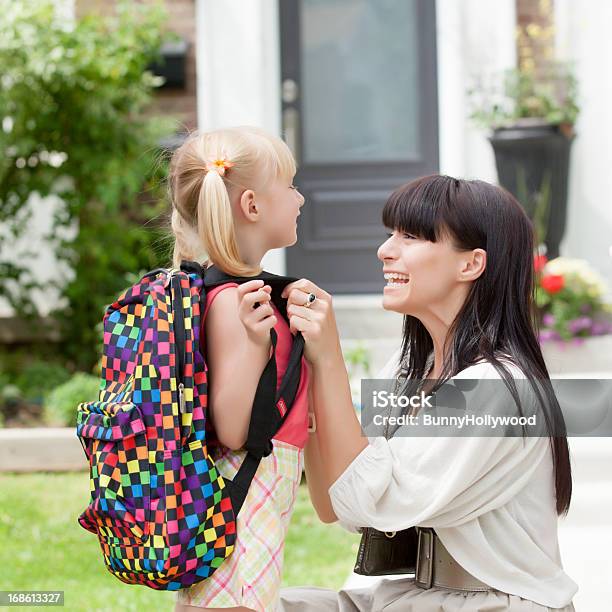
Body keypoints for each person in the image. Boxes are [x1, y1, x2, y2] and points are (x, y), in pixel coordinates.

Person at [276, 175, 577, 611]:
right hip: (422, 596)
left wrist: (331, 362)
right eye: (391, 234)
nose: (385, 250)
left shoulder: (497, 388)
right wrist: (308, 369)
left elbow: (370, 501)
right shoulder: (405, 373)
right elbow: (333, 505)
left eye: (411, 236)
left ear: (471, 264)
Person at [170, 126, 309, 612]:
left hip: (254, 494)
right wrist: (255, 344)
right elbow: (231, 429)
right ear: (252, 206)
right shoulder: (233, 303)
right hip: (242, 496)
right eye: (290, 186)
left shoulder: (242, 294)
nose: (300, 198)